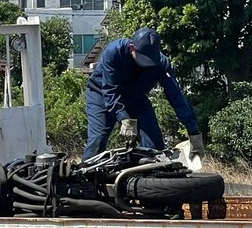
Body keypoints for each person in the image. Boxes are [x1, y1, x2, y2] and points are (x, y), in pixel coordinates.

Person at [83, 27, 204, 161]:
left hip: (136, 99)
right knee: (98, 140)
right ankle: (82, 178)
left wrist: (194, 132)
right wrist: (123, 117)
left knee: (155, 148)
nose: (146, 64)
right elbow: (110, 90)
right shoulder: (114, 52)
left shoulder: (161, 63)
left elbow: (176, 97)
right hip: (101, 95)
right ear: (132, 48)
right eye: (143, 58)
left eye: (151, 59)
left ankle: (148, 179)